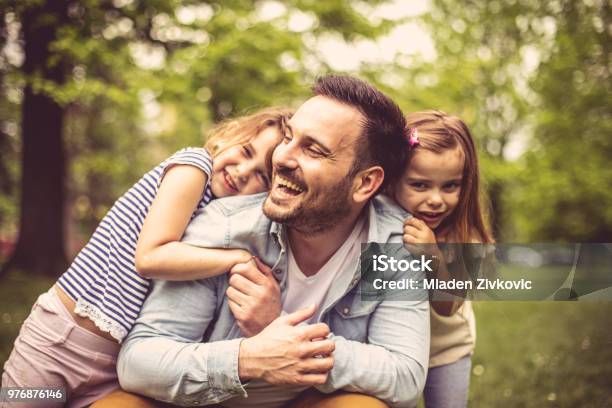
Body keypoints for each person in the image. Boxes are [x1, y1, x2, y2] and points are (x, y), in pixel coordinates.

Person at [114, 75, 430, 408]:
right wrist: (248, 358)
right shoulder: (225, 226)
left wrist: (280, 329)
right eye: (289, 137)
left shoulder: (397, 243)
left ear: (365, 183)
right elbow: (138, 362)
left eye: (313, 150)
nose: (280, 158)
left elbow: (405, 376)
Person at [0, 107, 292, 407]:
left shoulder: (217, 220)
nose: (242, 171)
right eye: (245, 151)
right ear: (229, 137)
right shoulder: (195, 166)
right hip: (61, 342)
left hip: (112, 365)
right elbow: (150, 257)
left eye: (261, 175)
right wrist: (237, 258)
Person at [392, 110, 494, 408]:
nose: (436, 199)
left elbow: (448, 305)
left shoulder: (465, 234)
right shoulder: (382, 223)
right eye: (420, 185)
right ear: (393, 179)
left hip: (448, 350)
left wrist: (432, 256)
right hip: (396, 349)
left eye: (450, 186)